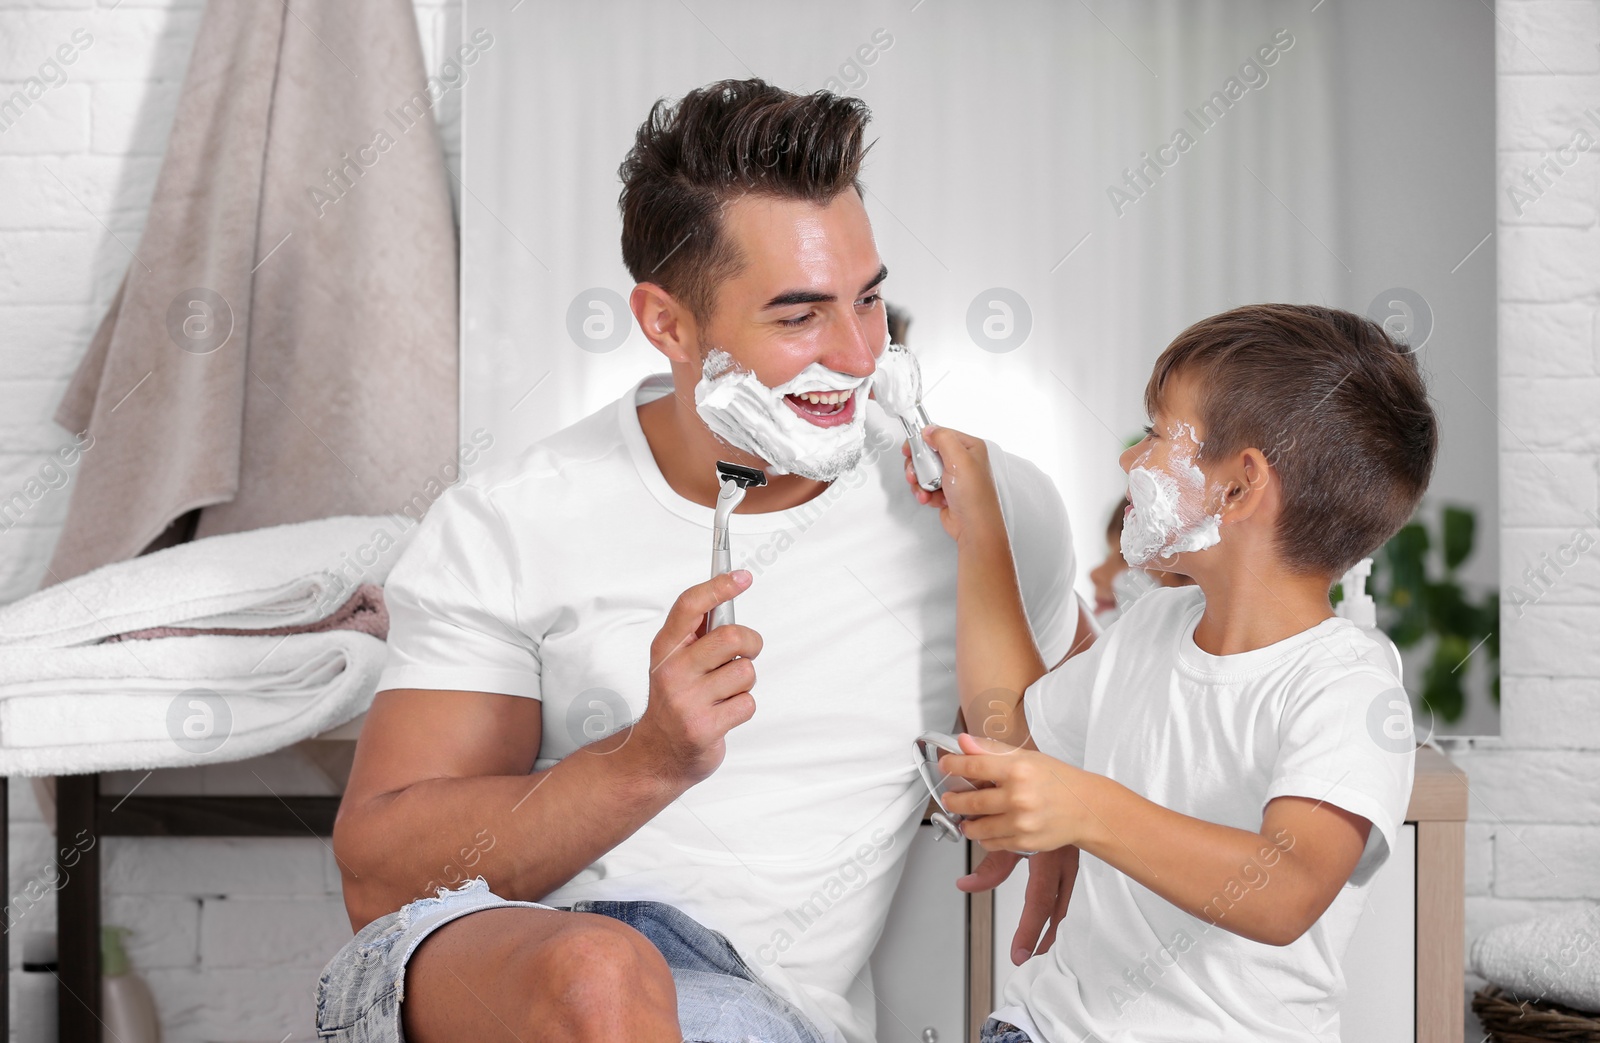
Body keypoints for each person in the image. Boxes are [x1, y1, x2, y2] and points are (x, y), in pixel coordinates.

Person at [315, 79, 1092, 1043]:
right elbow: (379, 877)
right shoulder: (513, 519)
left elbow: (1074, 743)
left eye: (870, 300)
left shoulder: (981, 507)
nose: (858, 355)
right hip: (509, 968)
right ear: (668, 324)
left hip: (751, 1007)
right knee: (600, 970)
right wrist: (647, 762)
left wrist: (1074, 810)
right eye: (800, 316)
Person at [906, 304, 1436, 1042]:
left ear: (1239, 488)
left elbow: (1284, 890)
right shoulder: (1153, 628)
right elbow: (1015, 730)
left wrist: (1082, 807)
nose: (1131, 460)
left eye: (1156, 433)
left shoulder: (1345, 683)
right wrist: (982, 532)